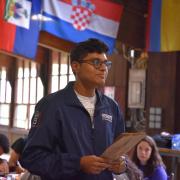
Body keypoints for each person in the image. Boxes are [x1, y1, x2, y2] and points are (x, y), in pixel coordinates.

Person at [20, 38, 125, 180]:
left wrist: (121, 164)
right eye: (96, 62)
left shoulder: (112, 107)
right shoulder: (51, 105)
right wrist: (77, 163)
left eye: (106, 63)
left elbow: (119, 150)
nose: (103, 68)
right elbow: (31, 158)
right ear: (75, 66)